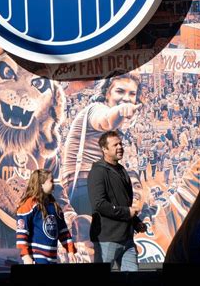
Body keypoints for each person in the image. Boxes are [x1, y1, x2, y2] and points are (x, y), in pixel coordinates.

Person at [61, 70, 142, 216]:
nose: (127, 98)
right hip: (86, 187)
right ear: (106, 93)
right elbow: (106, 120)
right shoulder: (97, 109)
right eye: (120, 91)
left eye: (132, 94)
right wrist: (120, 111)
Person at [87, 130, 147, 271]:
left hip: (127, 238)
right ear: (104, 149)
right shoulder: (98, 172)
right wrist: (127, 212)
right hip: (107, 239)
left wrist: (136, 222)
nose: (120, 147)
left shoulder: (121, 170)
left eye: (120, 144)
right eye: (115, 145)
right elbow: (99, 204)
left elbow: (123, 203)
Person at [16, 170, 76, 264]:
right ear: (41, 184)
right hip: (35, 259)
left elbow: (63, 232)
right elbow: (22, 234)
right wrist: (26, 256)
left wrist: (70, 250)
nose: (54, 184)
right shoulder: (28, 205)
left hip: (52, 259)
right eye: (51, 181)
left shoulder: (55, 206)